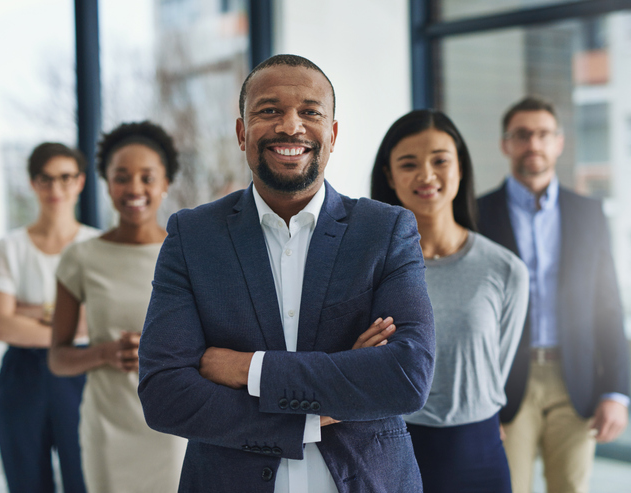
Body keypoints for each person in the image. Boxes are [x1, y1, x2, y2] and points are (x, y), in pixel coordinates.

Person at [138, 54, 436, 493]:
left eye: (310, 112)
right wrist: (328, 399)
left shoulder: (386, 230)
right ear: (242, 133)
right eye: (269, 110)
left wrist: (248, 369)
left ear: (332, 135)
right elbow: (165, 394)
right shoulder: (192, 236)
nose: (290, 126)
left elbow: (406, 377)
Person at [477, 96, 631, 493]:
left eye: (544, 134)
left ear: (559, 143)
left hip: (576, 380)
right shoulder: (477, 215)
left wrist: (616, 390)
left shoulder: (589, 213)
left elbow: (608, 305)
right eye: (522, 135)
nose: (534, 144)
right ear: (505, 144)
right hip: (503, 383)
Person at [370, 109, 528, 492]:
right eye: (409, 164)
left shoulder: (505, 269)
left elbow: (495, 368)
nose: (426, 175)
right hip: (392, 450)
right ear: (390, 176)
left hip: (481, 454)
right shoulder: (369, 270)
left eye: (440, 160)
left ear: (460, 167)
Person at [49, 121, 187, 493]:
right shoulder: (81, 257)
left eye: (147, 177)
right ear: (106, 183)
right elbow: (58, 358)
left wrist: (161, 352)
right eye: (121, 177)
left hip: (173, 427)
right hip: (107, 429)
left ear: (165, 183)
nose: (134, 189)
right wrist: (105, 353)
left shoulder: (188, 254)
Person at [0, 143, 99, 493]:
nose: (56, 189)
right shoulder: (10, 247)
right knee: (26, 483)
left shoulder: (97, 246)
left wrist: (31, 312)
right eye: (45, 179)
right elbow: (0, 325)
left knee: (87, 480)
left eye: (65, 178)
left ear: (79, 182)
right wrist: (68, 316)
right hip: (23, 376)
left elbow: (101, 320)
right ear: (33, 184)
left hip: (82, 375)